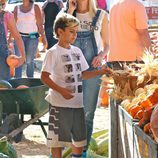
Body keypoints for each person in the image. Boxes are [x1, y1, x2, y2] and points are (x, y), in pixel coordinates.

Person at [41, 13, 111, 158]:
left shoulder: (77, 52)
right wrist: (61, 91)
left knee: (79, 141)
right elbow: (44, 77)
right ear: (60, 32)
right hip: (59, 104)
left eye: (76, 32)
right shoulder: (52, 53)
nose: (75, 35)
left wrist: (101, 71)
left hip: (78, 104)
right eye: (71, 32)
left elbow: (83, 74)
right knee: (58, 142)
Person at [107, 0, 151, 157]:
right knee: (137, 109)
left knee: (121, 106)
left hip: (115, 59)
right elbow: (143, 33)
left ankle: (119, 150)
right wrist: (152, 55)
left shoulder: (115, 6)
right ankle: (134, 152)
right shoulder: (137, 5)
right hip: (133, 60)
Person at [66, 0, 109, 156]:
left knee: (88, 113)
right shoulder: (68, 14)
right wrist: (70, 11)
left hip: (93, 69)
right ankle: (69, 148)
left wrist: (101, 55)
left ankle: (81, 152)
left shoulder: (101, 15)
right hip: (70, 70)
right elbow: (58, 37)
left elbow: (107, 44)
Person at [13, 0, 47, 78]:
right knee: (18, 59)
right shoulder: (16, 8)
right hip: (19, 37)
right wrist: (10, 39)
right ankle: (17, 81)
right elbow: (13, 24)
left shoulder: (35, 7)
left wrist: (43, 37)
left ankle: (30, 80)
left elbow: (39, 23)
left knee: (29, 60)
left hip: (32, 36)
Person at [0, 0, 25, 81]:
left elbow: (17, 37)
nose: (1, 5)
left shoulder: (7, 15)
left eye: (3, 4)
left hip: (2, 57)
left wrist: (22, 56)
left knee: (4, 85)